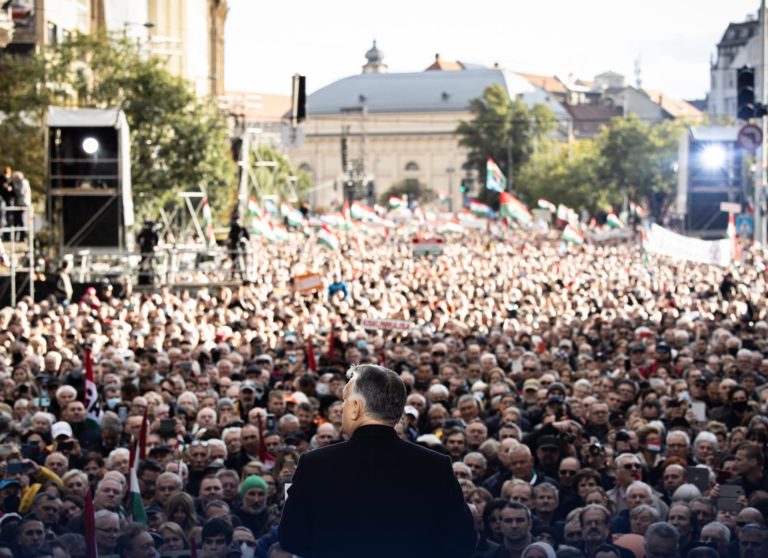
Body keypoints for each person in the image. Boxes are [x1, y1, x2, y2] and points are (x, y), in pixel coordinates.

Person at [278, 364, 475, 558]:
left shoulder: (314, 464)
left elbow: (291, 537)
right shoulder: (435, 466)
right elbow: (461, 542)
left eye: (345, 400)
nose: (342, 406)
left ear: (355, 408)